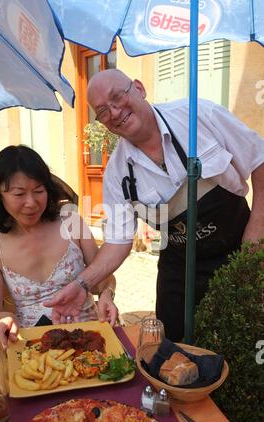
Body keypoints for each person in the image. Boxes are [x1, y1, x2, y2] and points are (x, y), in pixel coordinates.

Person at [45, 69, 264, 341]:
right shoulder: (117, 173)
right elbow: (117, 242)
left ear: (139, 88)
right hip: (179, 271)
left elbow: (259, 159)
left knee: (243, 341)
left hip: (239, 249)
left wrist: (257, 229)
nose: (114, 112)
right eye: (102, 111)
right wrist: (82, 284)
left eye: (117, 97)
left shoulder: (197, 115)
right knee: (176, 352)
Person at [0, 145, 118, 343]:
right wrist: (3, 319)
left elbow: (105, 278)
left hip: (90, 338)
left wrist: (107, 294)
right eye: (19, 194)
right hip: (32, 350)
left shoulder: (71, 223)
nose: (31, 202)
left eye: (38, 191)